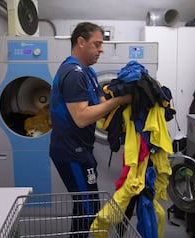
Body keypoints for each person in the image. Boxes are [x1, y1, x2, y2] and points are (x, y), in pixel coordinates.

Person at [49, 22, 131, 237]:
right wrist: (120, 100)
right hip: (69, 152)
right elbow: (82, 117)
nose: (101, 49)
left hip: (82, 150)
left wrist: (124, 95)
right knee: (86, 208)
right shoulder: (74, 73)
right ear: (81, 42)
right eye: (97, 44)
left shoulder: (89, 73)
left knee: (87, 205)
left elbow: (102, 106)